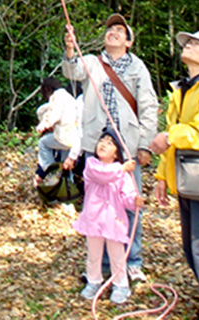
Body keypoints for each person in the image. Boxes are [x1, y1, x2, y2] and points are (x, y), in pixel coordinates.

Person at [63, 14, 158, 282]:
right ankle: (101, 265)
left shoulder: (138, 68)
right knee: (97, 205)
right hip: (98, 146)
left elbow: (149, 107)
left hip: (127, 147)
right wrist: (71, 49)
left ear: (128, 41)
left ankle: (131, 261)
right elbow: (73, 71)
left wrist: (144, 145)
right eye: (109, 29)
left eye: (120, 30)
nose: (113, 33)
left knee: (129, 204)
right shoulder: (93, 61)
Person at [150, 31, 199, 320]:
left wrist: (168, 135)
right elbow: (175, 140)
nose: (188, 45)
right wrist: (163, 176)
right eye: (186, 42)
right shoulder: (184, 89)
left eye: (196, 43)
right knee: (194, 249)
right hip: (192, 181)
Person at [74, 127, 144, 304]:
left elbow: (126, 196)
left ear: (116, 154)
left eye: (110, 143)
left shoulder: (122, 173)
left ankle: (121, 285)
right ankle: (93, 281)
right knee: (94, 254)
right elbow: (102, 176)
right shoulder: (92, 165)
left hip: (114, 221)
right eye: (102, 141)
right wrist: (122, 168)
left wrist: (134, 201)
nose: (103, 144)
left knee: (117, 255)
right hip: (93, 220)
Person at [33, 77, 82, 187]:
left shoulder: (57, 97)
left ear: (47, 90)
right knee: (66, 166)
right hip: (74, 139)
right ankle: (68, 192)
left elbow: (54, 113)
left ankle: (51, 171)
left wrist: (44, 125)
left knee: (43, 143)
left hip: (64, 136)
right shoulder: (69, 98)